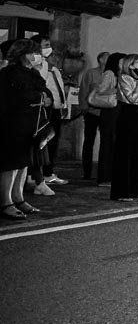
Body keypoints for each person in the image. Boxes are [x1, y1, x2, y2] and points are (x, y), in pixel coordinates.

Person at [0, 40, 49, 219]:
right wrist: (39, 97)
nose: (38, 56)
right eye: (33, 52)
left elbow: (44, 90)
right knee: (11, 163)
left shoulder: (33, 72)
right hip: (13, 123)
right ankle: (5, 202)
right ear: (23, 54)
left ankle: (18, 197)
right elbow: (18, 96)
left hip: (30, 123)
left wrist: (45, 97)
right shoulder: (9, 73)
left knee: (23, 163)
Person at [110, 54, 138, 201]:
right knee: (125, 153)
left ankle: (136, 188)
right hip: (128, 115)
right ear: (130, 65)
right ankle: (122, 192)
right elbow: (131, 98)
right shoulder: (124, 78)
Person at [31, 35, 70, 187]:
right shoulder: (39, 67)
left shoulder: (54, 70)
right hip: (44, 109)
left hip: (55, 109)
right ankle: (37, 174)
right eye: (46, 45)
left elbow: (59, 89)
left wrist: (63, 106)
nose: (53, 54)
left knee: (53, 142)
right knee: (42, 142)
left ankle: (48, 172)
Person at [95, 53, 125, 186]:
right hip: (110, 111)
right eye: (121, 62)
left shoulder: (120, 74)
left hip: (117, 111)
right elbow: (100, 90)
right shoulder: (109, 74)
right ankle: (105, 177)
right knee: (108, 144)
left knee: (115, 144)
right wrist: (116, 90)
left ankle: (113, 175)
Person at [79, 51, 109, 180]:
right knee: (89, 141)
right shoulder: (91, 73)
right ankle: (87, 171)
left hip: (106, 112)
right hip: (92, 112)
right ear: (101, 59)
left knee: (106, 142)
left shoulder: (110, 74)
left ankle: (103, 171)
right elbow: (83, 89)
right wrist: (83, 106)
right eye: (107, 57)